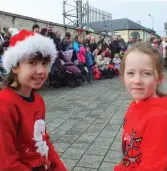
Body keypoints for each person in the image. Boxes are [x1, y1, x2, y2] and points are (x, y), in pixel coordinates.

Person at [0, 30, 68, 171]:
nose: (41, 70)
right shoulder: (4, 104)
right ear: (15, 66)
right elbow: (7, 163)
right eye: (32, 62)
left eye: (44, 63)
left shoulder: (38, 101)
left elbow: (43, 140)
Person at [114, 42, 167, 171]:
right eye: (130, 73)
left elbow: (152, 167)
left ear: (159, 78)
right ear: (123, 76)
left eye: (146, 73)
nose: (137, 80)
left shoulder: (159, 118)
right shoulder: (135, 104)